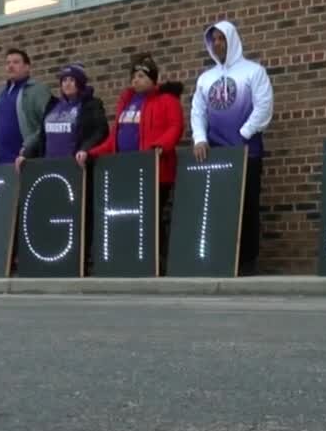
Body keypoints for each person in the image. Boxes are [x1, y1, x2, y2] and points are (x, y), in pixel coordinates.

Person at [86, 54, 185, 273]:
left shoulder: (167, 100)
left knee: (153, 217)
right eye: (134, 76)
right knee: (132, 217)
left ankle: (158, 262)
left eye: (141, 76)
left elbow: (175, 127)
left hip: (156, 171)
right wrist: (91, 153)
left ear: (153, 79)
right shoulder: (127, 102)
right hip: (127, 170)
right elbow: (114, 138)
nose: (136, 80)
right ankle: (131, 259)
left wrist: (160, 145)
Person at [191, 20, 274, 276]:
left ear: (232, 40)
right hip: (215, 153)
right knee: (219, 207)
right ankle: (220, 260)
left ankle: (247, 262)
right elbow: (197, 111)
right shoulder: (206, 78)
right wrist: (199, 139)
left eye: (222, 39)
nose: (217, 44)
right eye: (213, 39)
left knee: (247, 206)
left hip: (247, 152)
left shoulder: (253, 71)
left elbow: (264, 106)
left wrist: (244, 134)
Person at [16, 63, 108, 166]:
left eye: (72, 80)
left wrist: (85, 149)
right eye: (64, 80)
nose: (67, 84)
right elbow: (42, 137)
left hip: (75, 165)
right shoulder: (52, 106)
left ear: (80, 83)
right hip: (49, 165)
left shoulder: (91, 105)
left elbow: (100, 132)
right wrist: (26, 154)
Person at [0, 48, 50, 167]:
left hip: (25, 162)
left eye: (16, 62)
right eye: (8, 63)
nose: (10, 66)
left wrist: (29, 144)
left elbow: (48, 122)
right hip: (0, 163)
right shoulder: (0, 93)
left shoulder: (37, 90)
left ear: (27, 67)